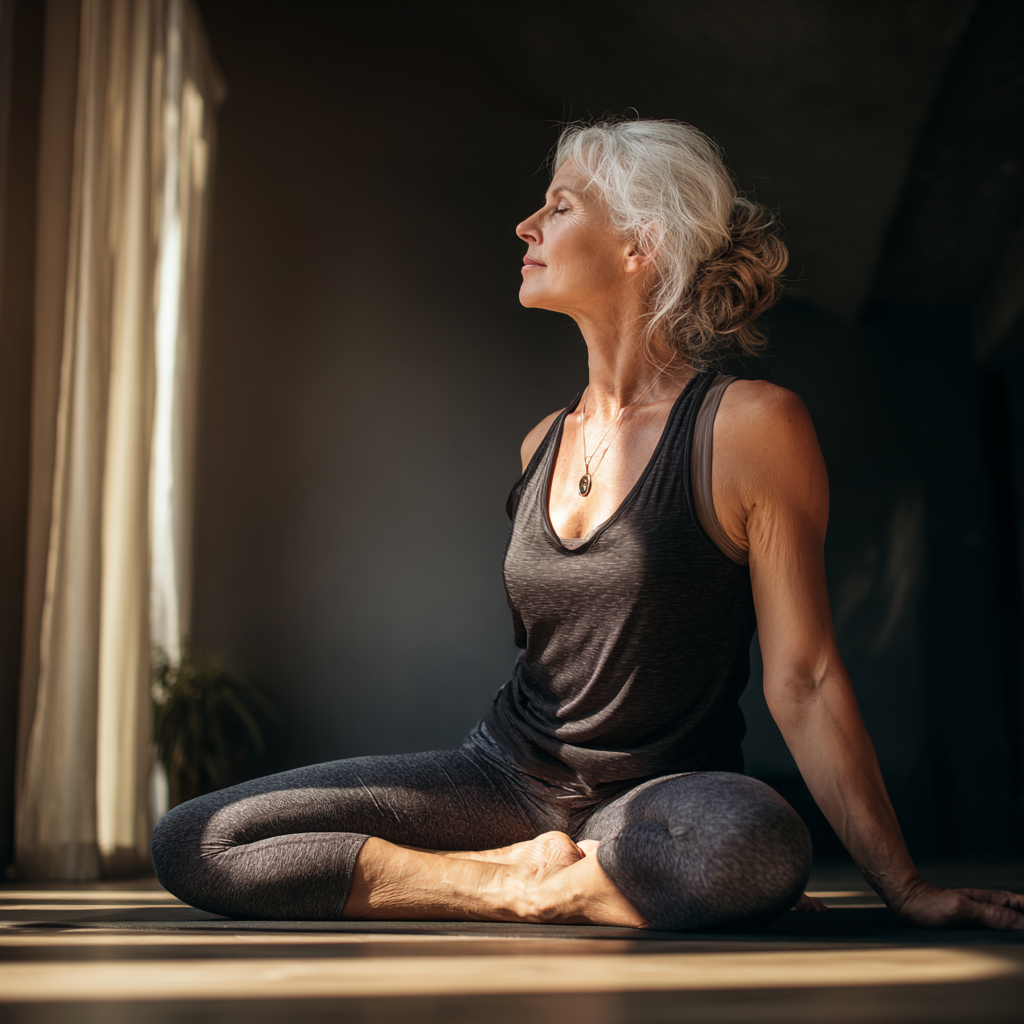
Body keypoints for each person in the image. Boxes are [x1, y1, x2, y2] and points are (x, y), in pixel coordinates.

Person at [152, 119, 1024, 932]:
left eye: (560, 206)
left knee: (757, 842)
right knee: (200, 838)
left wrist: (903, 887)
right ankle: (510, 884)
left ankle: (566, 876)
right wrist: (499, 871)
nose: (527, 226)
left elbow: (805, 680)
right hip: (503, 778)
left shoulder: (751, 427)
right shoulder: (540, 444)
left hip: (664, 800)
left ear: (642, 246)